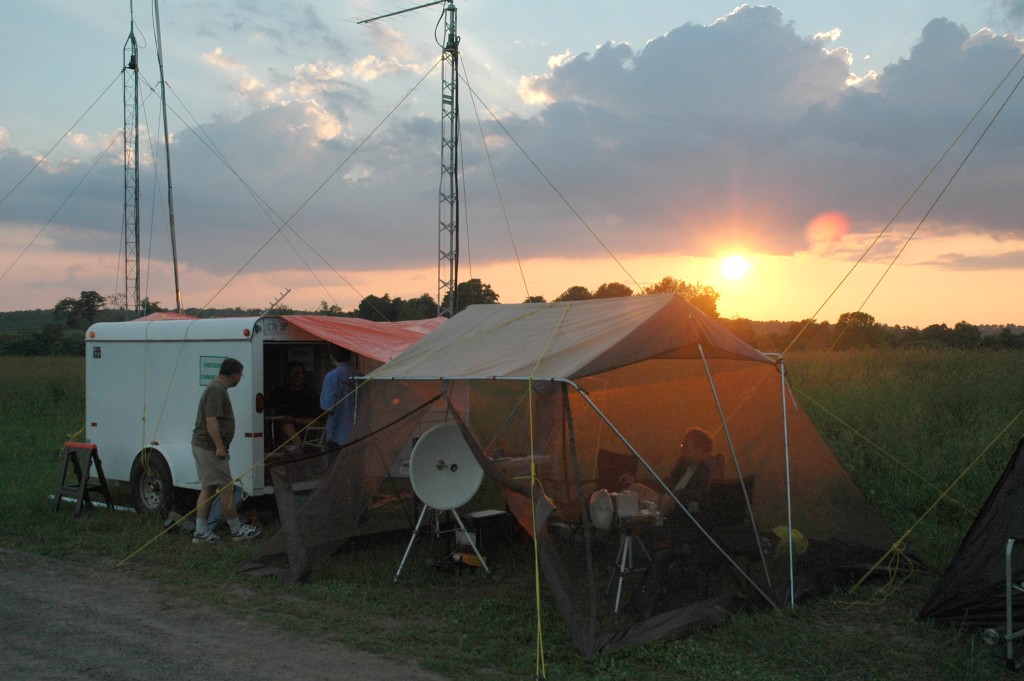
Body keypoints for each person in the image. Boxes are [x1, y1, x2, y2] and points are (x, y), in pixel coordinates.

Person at [191, 357, 262, 543]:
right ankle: (237, 531)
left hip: (203, 445)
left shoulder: (217, 389)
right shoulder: (216, 390)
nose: (240, 378)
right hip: (209, 447)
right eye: (241, 375)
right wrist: (219, 446)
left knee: (208, 487)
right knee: (226, 487)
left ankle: (200, 532)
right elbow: (211, 419)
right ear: (235, 374)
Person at [659, 426, 724, 516]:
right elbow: (670, 483)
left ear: (699, 449)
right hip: (670, 500)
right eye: (682, 445)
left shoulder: (709, 468)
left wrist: (677, 495)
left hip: (685, 509)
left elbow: (702, 495)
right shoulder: (683, 463)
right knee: (637, 488)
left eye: (686, 446)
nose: (683, 449)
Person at [267, 361, 322, 445]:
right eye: (293, 373)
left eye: (299, 372)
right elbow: (270, 412)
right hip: (278, 434)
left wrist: (294, 420)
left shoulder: (311, 395)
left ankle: (300, 452)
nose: (296, 376)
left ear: (303, 375)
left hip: (307, 435)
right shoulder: (279, 393)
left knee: (288, 427)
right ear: (288, 375)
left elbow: (317, 421)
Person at [320, 345, 356, 447]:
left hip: (338, 435)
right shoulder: (360, 375)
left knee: (337, 462)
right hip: (359, 433)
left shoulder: (332, 376)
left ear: (332, 356)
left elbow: (327, 406)